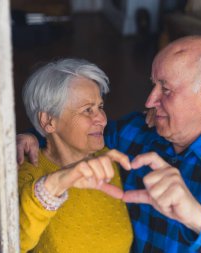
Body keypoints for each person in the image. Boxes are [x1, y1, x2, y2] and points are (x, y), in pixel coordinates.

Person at [16, 36, 201, 252]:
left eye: (165, 89)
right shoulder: (136, 132)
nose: (149, 101)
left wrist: (198, 216)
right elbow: (73, 134)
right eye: (153, 85)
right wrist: (32, 136)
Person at [18, 58, 133, 253]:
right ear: (48, 120)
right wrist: (53, 186)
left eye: (100, 107)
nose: (102, 119)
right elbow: (15, 242)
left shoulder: (107, 159)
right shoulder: (27, 172)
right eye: (87, 110)